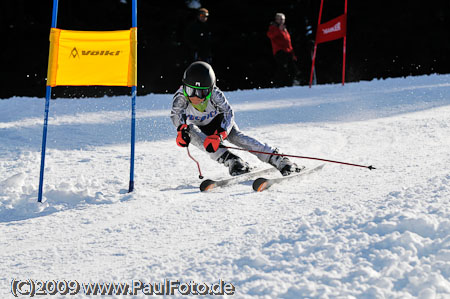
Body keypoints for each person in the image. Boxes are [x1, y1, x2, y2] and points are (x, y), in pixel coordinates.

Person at [170, 61, 304, 176]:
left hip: (219, 123)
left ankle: (277, 158)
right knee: (191, 134)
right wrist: (181, 131)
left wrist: (221, 134)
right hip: (200, 127)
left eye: (201, 92)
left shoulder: (215, 95)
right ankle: (232, 160)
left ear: (210, 90)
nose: (195, 97)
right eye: (190, 90)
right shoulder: (180, 97)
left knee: (236, 137)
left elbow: (228, 113)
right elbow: (176, 115)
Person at [267, 13, 299, 87]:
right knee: (282, 67)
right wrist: (279, 30)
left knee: (293, 68)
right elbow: (270, 35)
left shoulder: (284, 29)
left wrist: (293, 53)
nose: (282, 21)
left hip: (288, 51)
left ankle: (290, 83)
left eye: (283, 19)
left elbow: (288, 42)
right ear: (276, 19)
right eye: (280, 19)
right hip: (280, 51)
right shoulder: (273, 27)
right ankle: (277, 84)